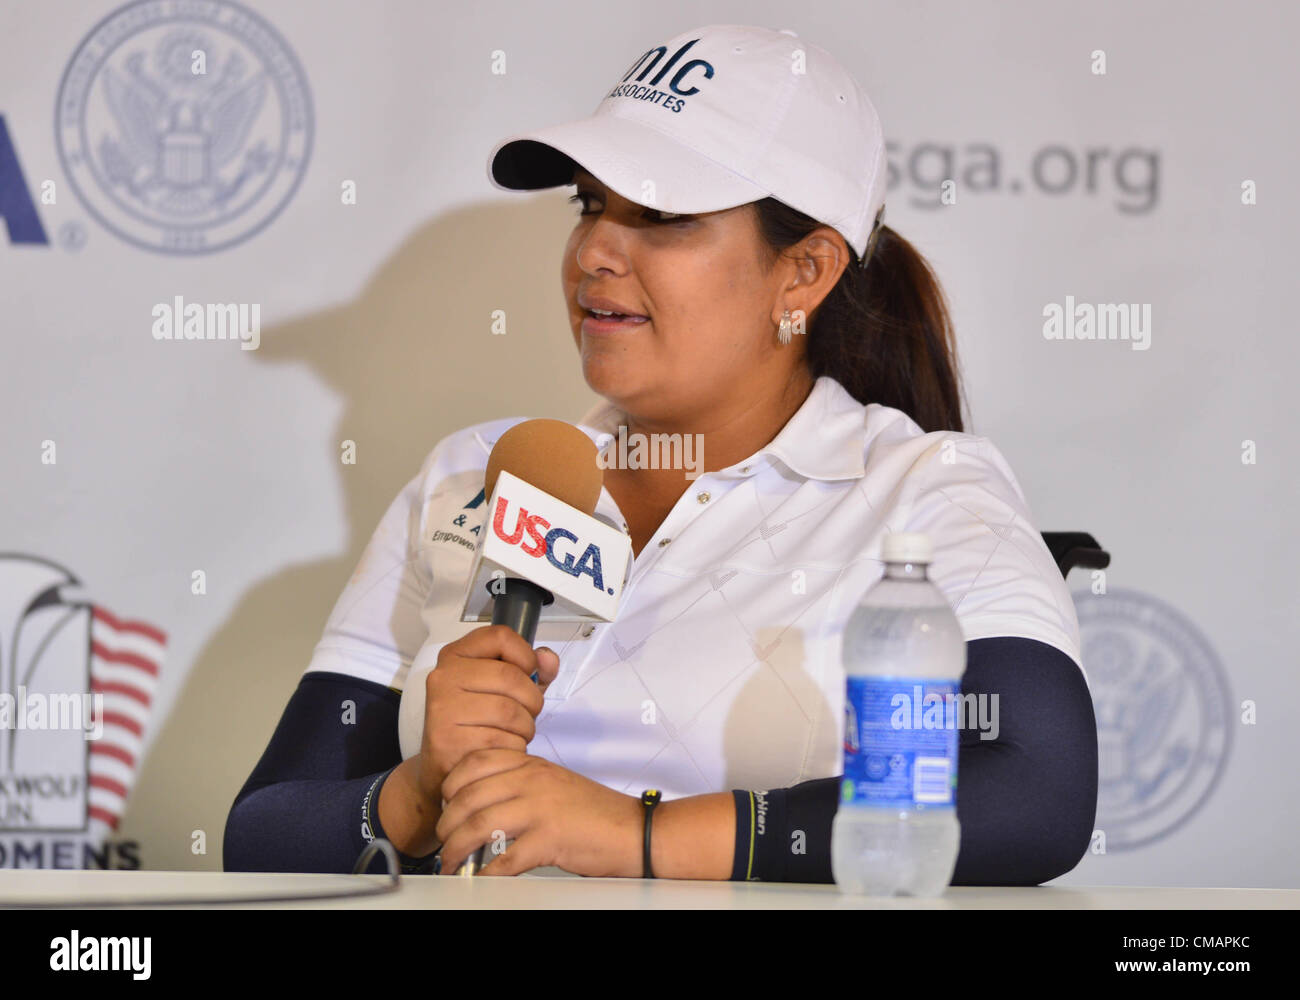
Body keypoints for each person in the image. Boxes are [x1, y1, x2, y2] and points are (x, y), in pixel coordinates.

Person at [224, 24, 1097, 884]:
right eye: (591, 205)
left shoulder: (922, 490)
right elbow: (257, 837)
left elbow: (1038, 793)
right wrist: (414, 795)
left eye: (664, 216)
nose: (595, 251)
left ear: (805, 272)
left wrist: (638, 836)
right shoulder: (472, 469)